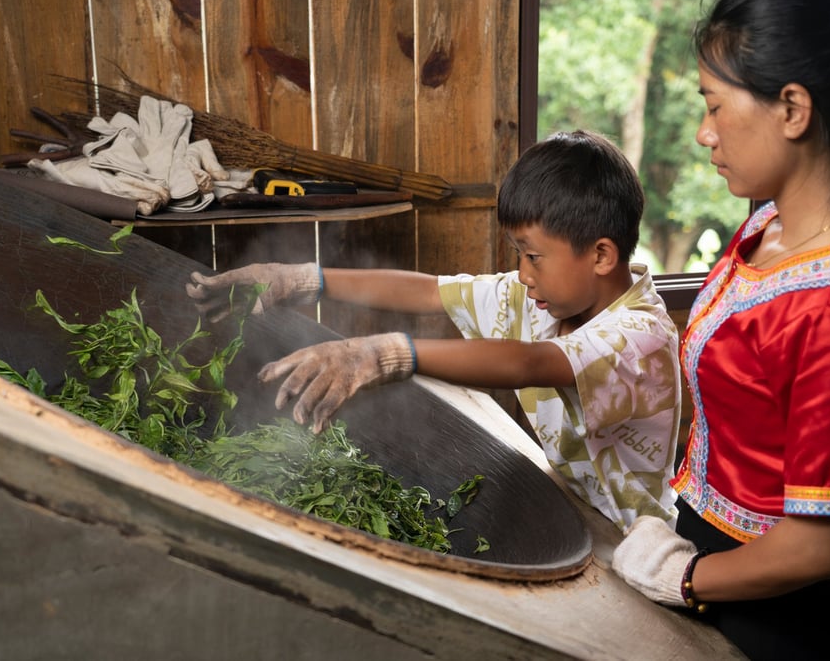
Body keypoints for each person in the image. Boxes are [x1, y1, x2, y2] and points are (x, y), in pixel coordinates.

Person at [610, 0, 830, 659]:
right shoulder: (767, 224)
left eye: (714, 106)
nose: (704, 132)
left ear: (792, 108)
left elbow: (815, 548)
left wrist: (684, 576)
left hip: (773, 622)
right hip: (703, 555)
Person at [186, 129, 683, 531]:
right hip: (574, 503)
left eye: (532, 256)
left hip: (634, 538)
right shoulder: (542, 294)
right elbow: (428, 292)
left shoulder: (641, 336)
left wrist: (385, 355)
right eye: (518, 256)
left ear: (600, 255)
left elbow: (532, 363)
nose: (523, 274)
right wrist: (301, 280)